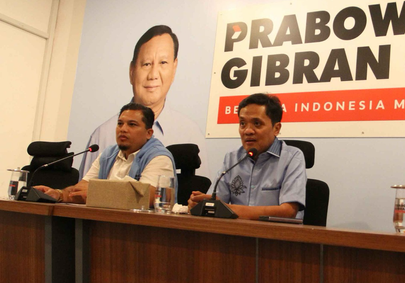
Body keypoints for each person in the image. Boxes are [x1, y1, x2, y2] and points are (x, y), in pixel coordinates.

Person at [78, 25, 210, 179]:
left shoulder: (191, 134)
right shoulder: (102, 136)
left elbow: (197, 198)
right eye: (146, 64)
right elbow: (82, 192)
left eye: (163, 63)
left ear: (174, 68)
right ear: (132, 71)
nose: (153, 75)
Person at [188, 93, 306, 220]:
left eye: (257, 123)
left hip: (276, 236)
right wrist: (203, 204)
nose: (247, 131)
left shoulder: (292, 158)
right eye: (242, 123)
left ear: (276, 128)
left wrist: (228, 208)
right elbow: (217, 203)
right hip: (236, 234)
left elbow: (288, 211)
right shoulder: (232, 159)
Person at [35, 103, 176, 207]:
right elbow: (83, 189)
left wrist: (95, 192)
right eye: (120, 124)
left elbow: (149, 196)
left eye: (132, 124)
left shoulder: (159, 157)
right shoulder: (108, 154)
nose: (123, 129)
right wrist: (59, 195)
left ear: (149, 133)